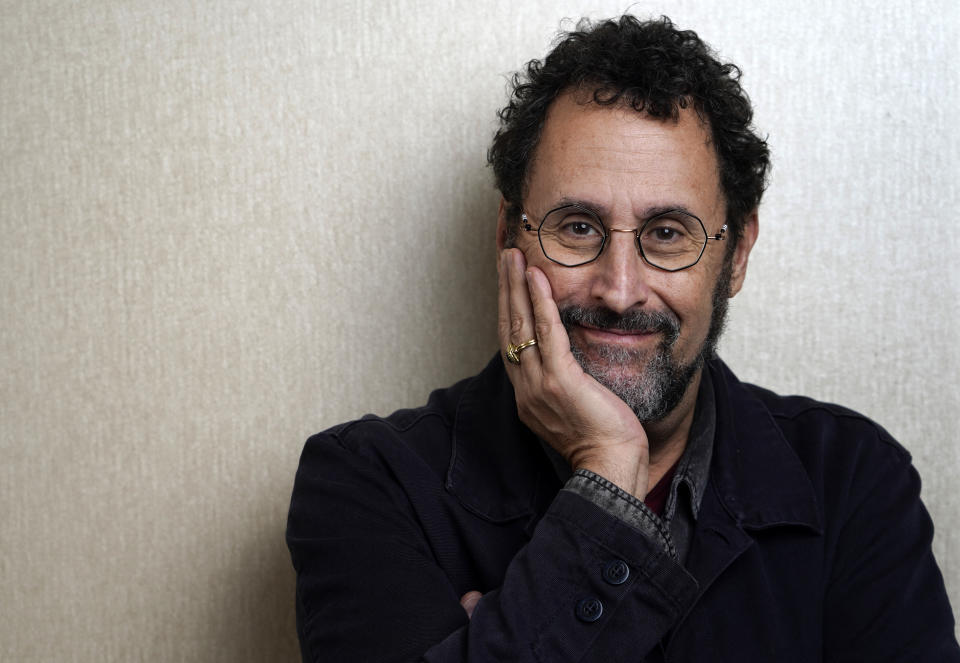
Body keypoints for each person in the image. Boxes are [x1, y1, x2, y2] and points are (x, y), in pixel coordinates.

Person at [286, 15, 959, 662]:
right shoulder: (366, 485)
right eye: (577, 226)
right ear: (507, 235)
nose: (620, 288)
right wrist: (607, 469)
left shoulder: (853, 479)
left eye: (669, 233)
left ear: (738, 255)